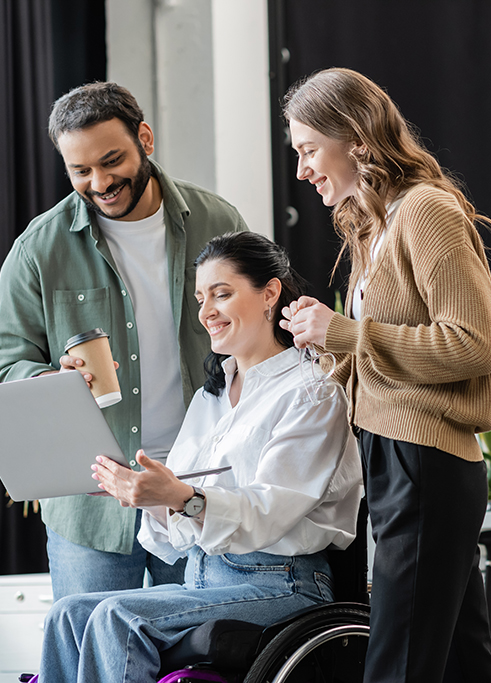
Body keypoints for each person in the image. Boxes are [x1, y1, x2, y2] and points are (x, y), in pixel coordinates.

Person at [37, 231, 364, 682]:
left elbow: (271, 510)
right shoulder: (210, 399)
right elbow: (181, 522)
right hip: (203, 579)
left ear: (269, 293)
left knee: (116, 616)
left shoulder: (310, 391)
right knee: (67, 614)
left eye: (222, 294)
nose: (205, 311)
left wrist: (182, 496)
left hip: (281, 583)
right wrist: (143, 493)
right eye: (199, 297)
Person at [279, 67, 491, 683]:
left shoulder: (424, 210)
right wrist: (325, 344)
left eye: (307, 150)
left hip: (424, 461)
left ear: (353, 137)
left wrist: (346, 334)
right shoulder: (374, 227)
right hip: (399, 457)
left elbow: (473, 347)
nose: (301, 170)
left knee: (397, 662)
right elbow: (380, 358)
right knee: (463, 664)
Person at [0, 82, 247, 598]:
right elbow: (6, 366)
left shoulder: (218, 222)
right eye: (80, 170)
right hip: (94, 503)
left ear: (144, 138)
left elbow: (258, 335)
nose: (100, 182)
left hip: (198, 488)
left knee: (201, 667)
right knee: (91, 659)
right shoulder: (38, 248)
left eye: (111, 161)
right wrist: (50, 381)